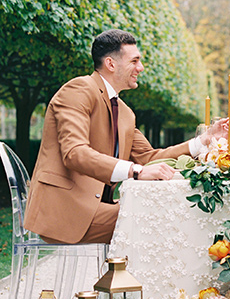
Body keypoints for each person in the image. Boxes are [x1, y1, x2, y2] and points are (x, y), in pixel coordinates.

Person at [24, 29, 216, 245]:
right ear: (111, 64)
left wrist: (202, 141)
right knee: (159, 217)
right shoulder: (78, 90)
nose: (140, 68)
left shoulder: (124, 112)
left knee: (164, 213)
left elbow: (147, 157)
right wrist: (136, 171)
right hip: (65, 210)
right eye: (135, 61)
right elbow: (74, 153)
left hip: (99, 207)